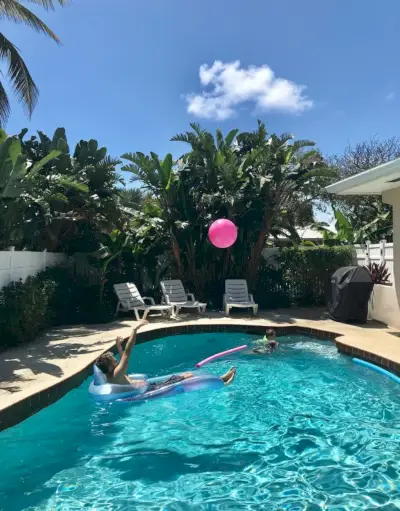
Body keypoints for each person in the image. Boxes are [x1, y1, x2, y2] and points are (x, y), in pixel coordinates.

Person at [95, 320, 237, 392]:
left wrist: (119, 347)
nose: (116, 360)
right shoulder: (117, 373)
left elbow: (124, 361)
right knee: (189, 376)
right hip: (151, 390)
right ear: (109, 365)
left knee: (187, 373)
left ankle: (222, 378)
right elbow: (127, 353)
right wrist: (135, 330)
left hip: (149, 386)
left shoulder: (111, 375)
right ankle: (223, 383)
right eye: (114, 360)